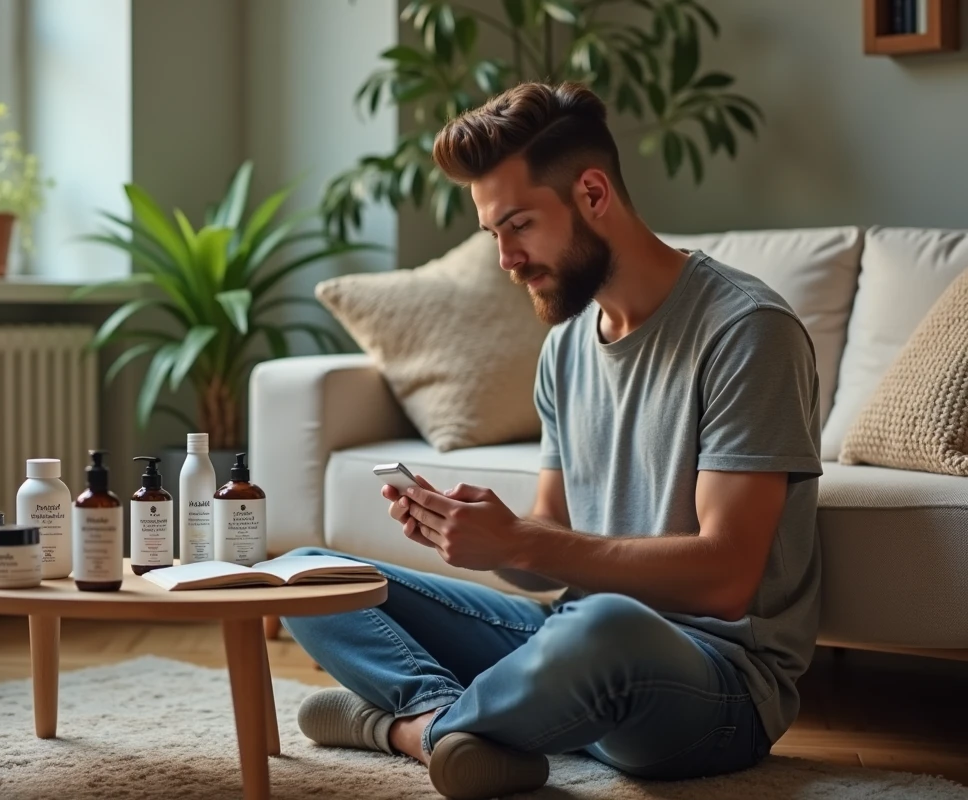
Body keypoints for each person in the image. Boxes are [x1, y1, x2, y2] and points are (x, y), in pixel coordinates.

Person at [280, 81, 822, 800]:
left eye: (519, 225)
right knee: (307, 573)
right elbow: (551, 548)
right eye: (492, 234)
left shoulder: (746, 330)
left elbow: (727, 579)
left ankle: (407, 728)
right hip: (567, 640)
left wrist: (526, 545)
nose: (506, 258)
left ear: (593, 194)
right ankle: (462, 720)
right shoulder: (566, 347)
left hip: (716, 683)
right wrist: (491, 535)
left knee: (602, 627)